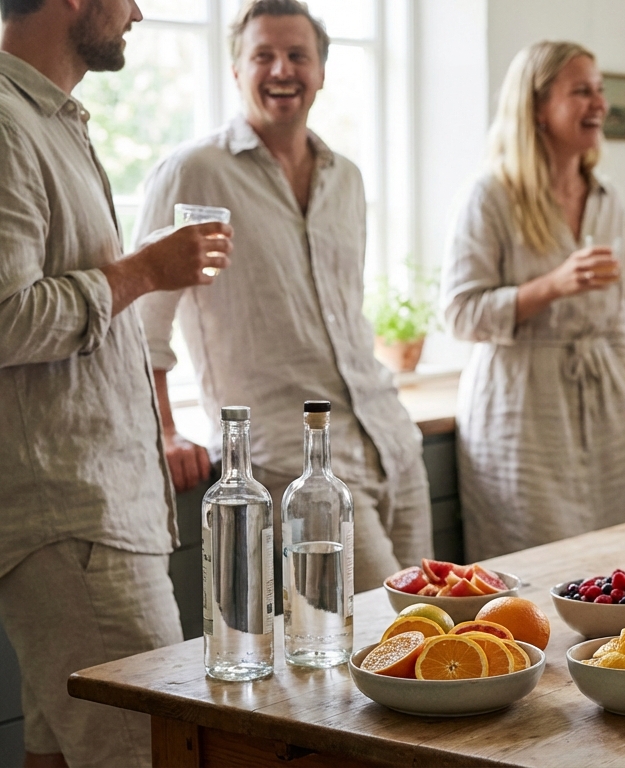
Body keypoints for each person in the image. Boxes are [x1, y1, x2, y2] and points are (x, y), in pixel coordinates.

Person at [0, 0, 233, 764]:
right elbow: (5, 317)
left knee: (58, 755)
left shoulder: (50, 120)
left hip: (92, 516)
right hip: (75, 521)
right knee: (155, 753)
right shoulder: (5, 123)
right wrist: (145, 271)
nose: (137, 11)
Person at [136, 0, 431, 592]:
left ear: (321, 69)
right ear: (237, 70)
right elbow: (145, 323)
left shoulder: (345, 176)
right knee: (366, 637)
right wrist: (165, 431)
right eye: (263, 55)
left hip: (389, 439)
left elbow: (342, 311)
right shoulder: (194, 170)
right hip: (291, 456)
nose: (281, 70)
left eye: (298, 55)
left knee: (428, 626)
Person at [441, 41, 625, 561]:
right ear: (536, 108)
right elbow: (460, 313)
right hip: (521, 409)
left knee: (611, 565)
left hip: (605, 406)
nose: (600, 103)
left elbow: (616, 308)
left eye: (600, 91)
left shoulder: (606, 198)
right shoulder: (491, 197)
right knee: (533, 564)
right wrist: (552, 284)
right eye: (581, 91)